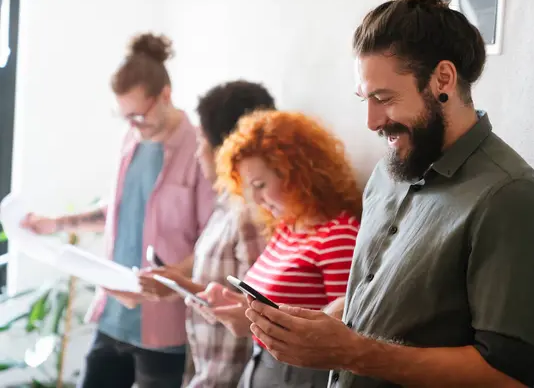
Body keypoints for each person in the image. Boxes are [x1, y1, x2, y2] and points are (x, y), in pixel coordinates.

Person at [242, 0, 534, 388]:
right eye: (365, 99)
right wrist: (317, 323)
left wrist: (351, 352)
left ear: (443, 78)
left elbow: (506, 376)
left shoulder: (511, 198)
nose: (372, 121)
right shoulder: (386, 175)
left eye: (384, 98)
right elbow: (381, 302)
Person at [21, 33, 215, 388]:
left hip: (163, 328)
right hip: (113, 315)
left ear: (165, 97)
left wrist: (166, 280)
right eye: (124, 116)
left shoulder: (200, 150)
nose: (132, 125)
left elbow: (209, 243)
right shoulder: (133, 140)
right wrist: (57, 223)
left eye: (138, 115)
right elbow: (121, 210)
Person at [186, 110, 362, 388]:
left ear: (298, 174)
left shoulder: (338, 237)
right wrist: (239, 305)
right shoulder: (288, 229)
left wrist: (255, 326)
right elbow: (282, 306)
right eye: (249, 188)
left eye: (261, 185)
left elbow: (344, 337)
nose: (255, 198)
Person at [139, 80, 276, 388]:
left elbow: (255, 306)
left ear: (226, 147)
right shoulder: (225, 205)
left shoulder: (250, 214)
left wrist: (181, 285)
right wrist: (177, 282)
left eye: (202, 141)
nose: (197, 153)